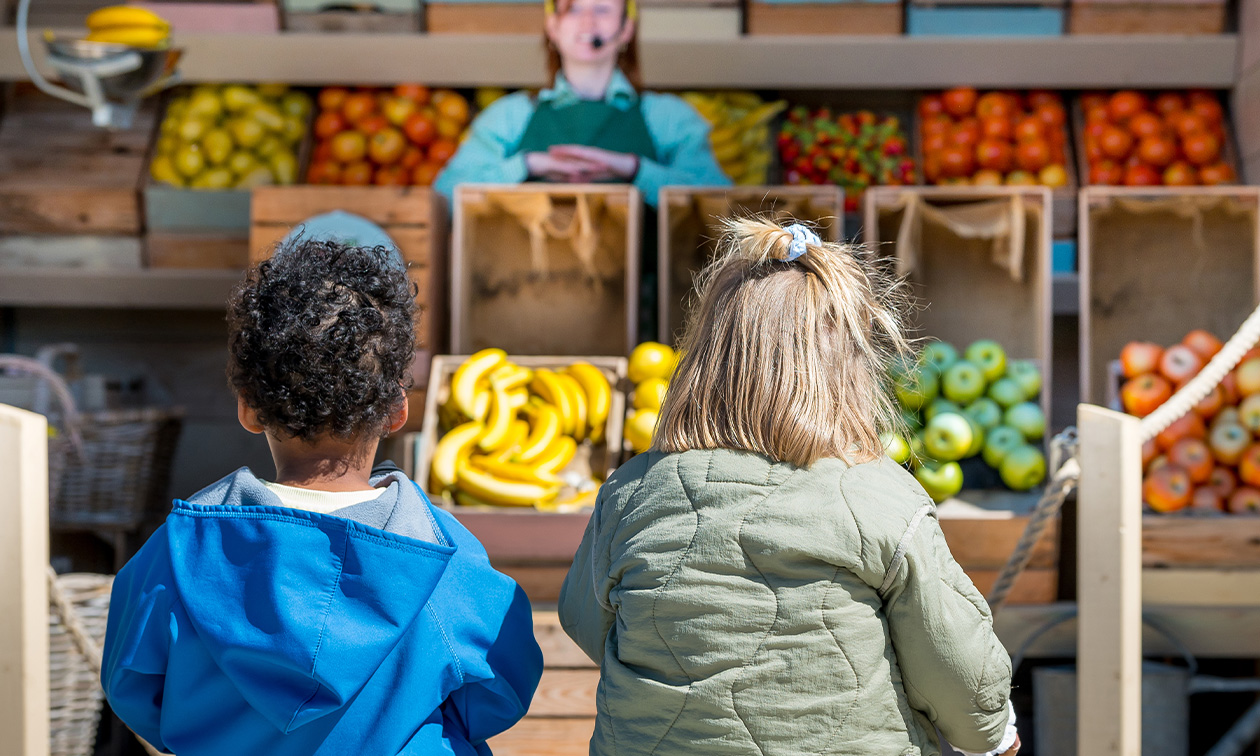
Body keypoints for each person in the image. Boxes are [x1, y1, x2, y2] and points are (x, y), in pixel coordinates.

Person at [557, 219, 1021, 756]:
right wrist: (994, 733)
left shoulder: (631, 492)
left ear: (703, 358)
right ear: (851, 369)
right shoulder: (883, 498)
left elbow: (583, 621)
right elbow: (955, 665)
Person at [101, 237, 543, 755]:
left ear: (248, 409)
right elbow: (500, 694)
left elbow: (133, 687)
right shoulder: (445, 561)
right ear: (397, 410)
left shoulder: (177, 552)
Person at [433, 0, 729, 208]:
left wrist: (636, 170)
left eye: (602, 9)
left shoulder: (669, 118)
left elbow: (723, 206)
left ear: (626, 28)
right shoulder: (508, 116)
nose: (588, 21)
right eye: (573, 8)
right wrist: (526, 165)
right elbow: (443, 198)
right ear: (552, 26)